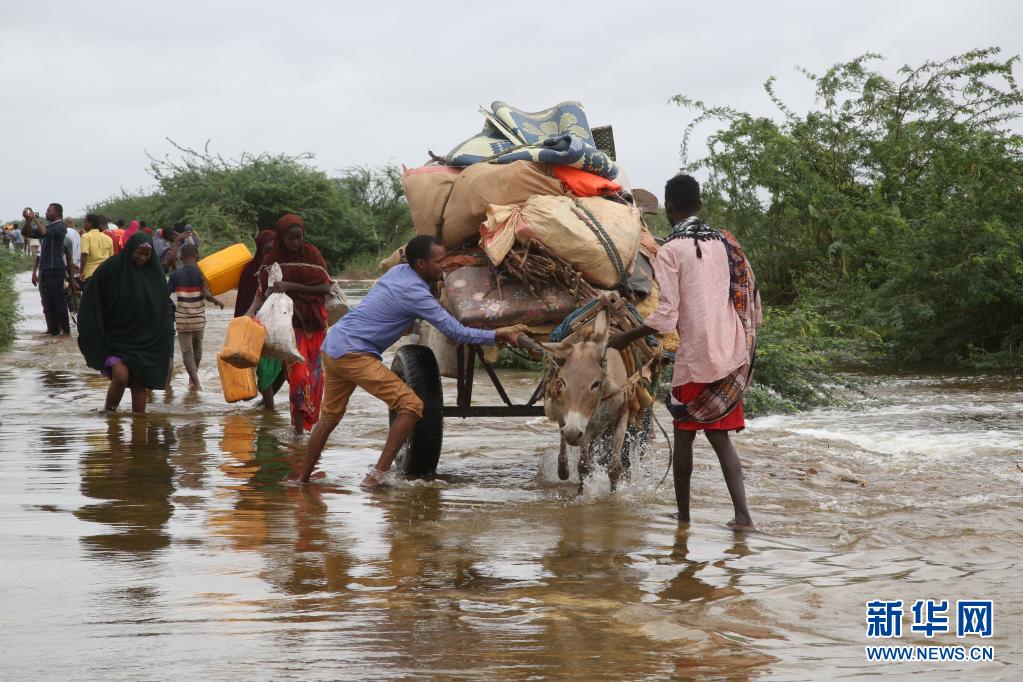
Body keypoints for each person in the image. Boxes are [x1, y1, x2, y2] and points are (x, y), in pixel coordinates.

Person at [298, 234, 522, 488]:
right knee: (411, 406)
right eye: (439, 262)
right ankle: (375, 477)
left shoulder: (398, 272)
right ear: (421, 264)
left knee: (329, 418)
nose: (444, 265)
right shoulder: (416, 294)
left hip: (334, 345)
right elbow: (457, 332)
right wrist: (499, 334)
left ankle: (301, 479)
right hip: (353, 353)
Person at [608, 174, 761, 530]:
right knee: (719, 437)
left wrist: (625, 338)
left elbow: (665, 317)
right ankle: (743, 516)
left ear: (669, 207)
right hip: (730, 349)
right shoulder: (724, 242)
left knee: (683, 435)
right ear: (699, 204)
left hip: (697, 359)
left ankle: (684, 518)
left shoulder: (670, 252)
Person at [246, 215, 331, 435]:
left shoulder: (312, 254)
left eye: (299, 238)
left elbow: (325, 287)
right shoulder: (273, 259)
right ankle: (299, 433)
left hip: (315, 326)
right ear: (281, 238)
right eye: (290, 238)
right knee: (298, 378)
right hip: (289, 329)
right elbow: (262, 291)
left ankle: (309, 431)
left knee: (315, 380)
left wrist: (290, 286)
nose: (295, 243)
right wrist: (250, 312)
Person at [77, 232, 174, 413]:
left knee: (139, 383)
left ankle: (139, 425)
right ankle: (109, 416)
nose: (143, 258)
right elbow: (92, 296)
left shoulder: (155, 274)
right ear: (130, 250)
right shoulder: (111, 268)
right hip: (116, 338)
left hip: (145, 341)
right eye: (139, 253)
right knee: (120, 377)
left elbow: (161, 308)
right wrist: (92, 326)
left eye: (147, 254)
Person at [235, 229, 285, 409]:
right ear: (259, 251)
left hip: (278, 325)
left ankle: (265, 403)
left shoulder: (281, 269)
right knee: (264, 367)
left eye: (274, 251)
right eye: (266, 252)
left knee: (284, 367)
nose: (269, 256)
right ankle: (269, 410)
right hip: (256, 325)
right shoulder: (250, 270)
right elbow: (244, 300)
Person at [167, 242, 224, 390]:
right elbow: (207, 294)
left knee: (187, 351)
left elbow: (166, 294)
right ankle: (193, 380)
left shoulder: (175, 275)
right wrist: (216, 301)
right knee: (197, 348)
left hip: (183, 318)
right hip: (198, 317)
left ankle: (195, 381)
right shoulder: (201, 273)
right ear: (196, 257)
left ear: (181, 257)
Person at [22, 204, 76, 336]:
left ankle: (66, 331)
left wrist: (35, 218)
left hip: (55, 269)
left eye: (49, 211)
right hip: (45, 269)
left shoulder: (60, 226)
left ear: (57, 213)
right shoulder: (48, 226)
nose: (46, 213)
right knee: (47, 302)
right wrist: (28, 221)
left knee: (58, 300)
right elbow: (27, 233)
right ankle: (53, 330)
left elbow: (44, 232)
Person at [80, 213, 114, 283]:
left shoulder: (85, 236)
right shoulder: (108, 238)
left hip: (90, 274)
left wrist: (81, 272)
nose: (84, 224)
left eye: (85, 222)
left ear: (90, 223)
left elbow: (84, 254)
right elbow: (111, 258)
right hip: (105, 273)